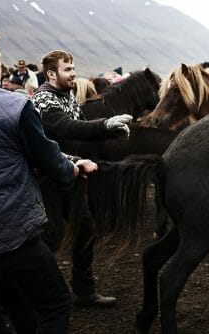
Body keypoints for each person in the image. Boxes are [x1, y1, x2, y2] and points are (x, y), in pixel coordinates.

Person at [0, 29, 97, 334]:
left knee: (1, 310)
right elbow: (51, 164)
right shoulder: (15, 106)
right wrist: (74, 169)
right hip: (10, 236)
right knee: (54, 305)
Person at [31, 49, 132, 308]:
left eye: (73, 68)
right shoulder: (43, 99)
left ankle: (84, 291)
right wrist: (105, 125)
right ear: (51, 74)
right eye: (67, 69)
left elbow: (82, 129)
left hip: (70, 177)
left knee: (85, 230)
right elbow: (63, 127)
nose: (73, 73)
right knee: (49, 239)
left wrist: (110, 131)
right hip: (47, 181)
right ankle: (28, 296)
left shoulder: (68, 97)